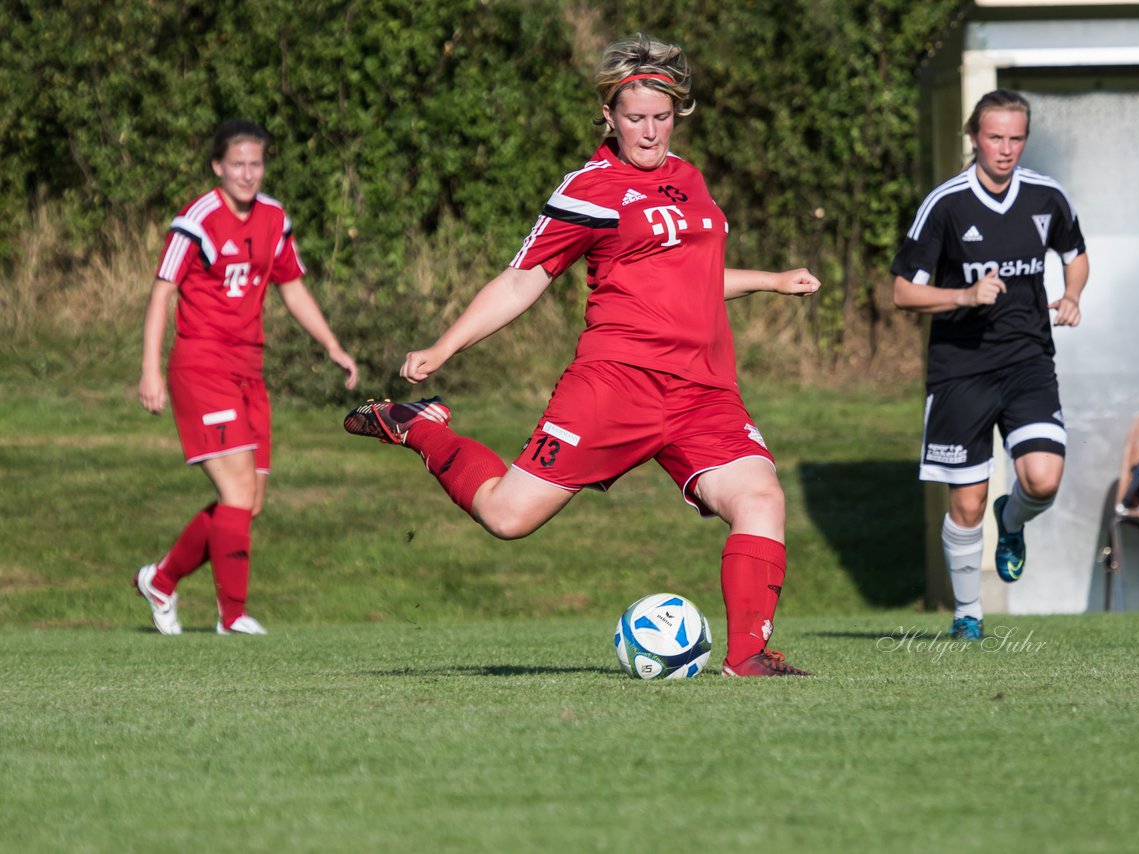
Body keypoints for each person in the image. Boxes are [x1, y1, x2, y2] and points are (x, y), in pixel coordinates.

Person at [344, 33, 819, 676]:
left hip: (702, 390)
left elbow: (693, 278)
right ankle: (421, 429)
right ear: (609, 117)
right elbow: (523, 278)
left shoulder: (691, 180)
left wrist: (771, 280)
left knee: (761, 498)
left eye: (660, 117)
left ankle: (749, 656)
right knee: (508, 517)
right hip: (615, 384)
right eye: (635, 119)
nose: (649, 133)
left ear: (677, 114)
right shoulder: (589, 189)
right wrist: (444, 345)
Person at [134, 119, 359, 635]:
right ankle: (232, 616)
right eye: (237, 164)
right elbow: (161, 292)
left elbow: (294, 288)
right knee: (236, 492)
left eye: (255, 163)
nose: (247, 173)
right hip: (201, 366)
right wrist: (151, 371)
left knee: (249, 503)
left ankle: (162, 580)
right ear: (218, 166)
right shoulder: (198, 218)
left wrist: (332, 346)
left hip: (248, 372)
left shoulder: (274, 218)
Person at [890, 89, 1089, 641]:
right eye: (995, 136)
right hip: (961, 369)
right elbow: (904, 293)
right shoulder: (946, 204)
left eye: (1016, 138)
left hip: (1028, 360)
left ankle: (1014, 520)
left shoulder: (1048, 196)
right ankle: (968, 616)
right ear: (974, 137)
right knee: (967, 501)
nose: (1005, 149)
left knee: (1043, 479)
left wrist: (1072, 295)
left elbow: (1076, 254)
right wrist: (963, 297)